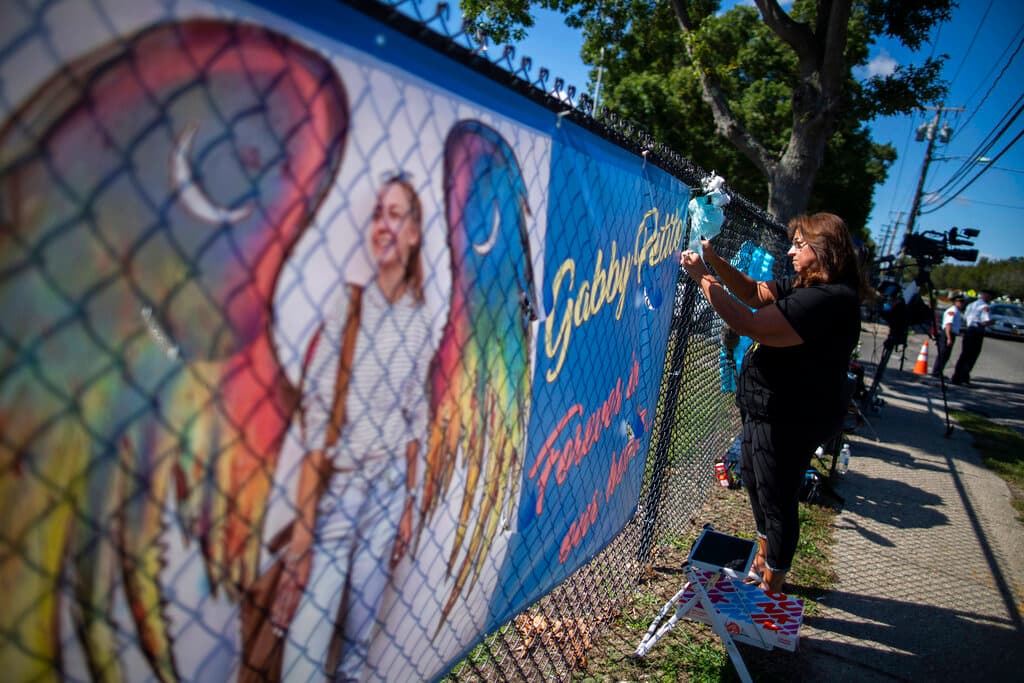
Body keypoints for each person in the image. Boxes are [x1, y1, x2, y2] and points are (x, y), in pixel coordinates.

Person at [272, 175, 433, 681]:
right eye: (377, 213)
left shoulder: (420, 321)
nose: (382, 224)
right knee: (303, 660)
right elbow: (317, 423)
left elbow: (413, 422)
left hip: (388, 494)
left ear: (413, 234)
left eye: (395, 214)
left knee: (357, 649)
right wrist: (302, 538)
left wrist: (408, 503)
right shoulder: (348, 304)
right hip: (339, 493)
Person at [680, 212, 865, 593]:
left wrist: (703, 278)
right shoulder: (806, 285)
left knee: (776, 493)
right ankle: (764, 558)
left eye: (800, 245)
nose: (792, 252)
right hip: (769, 408)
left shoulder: (827, 300)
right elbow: (754, 293)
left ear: (825, 250)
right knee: (753, 475)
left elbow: (750, 322)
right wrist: (715, 260)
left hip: (790, 415)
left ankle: (772, 584)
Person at [951, 289, 994, 386]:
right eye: (990, 296)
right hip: (977, 331)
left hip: (968, 330)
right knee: (972, 356)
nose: (991, 299)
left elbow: (966, 317)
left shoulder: (971, 305)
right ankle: (964, 377)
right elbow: (985, 321)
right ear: (986, 296)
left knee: (964, 355)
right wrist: (992, 322)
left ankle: (957, 377)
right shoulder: (985, 307)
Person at [932, 293, 966, 380]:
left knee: (946, 355)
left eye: (963, 302)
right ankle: (936, 372)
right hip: (947, 334)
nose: (962, 304)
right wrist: (949, 338)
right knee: (943, 354)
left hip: (951, 334)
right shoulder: (952, 311)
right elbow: (948, 325)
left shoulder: (957, 311)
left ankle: (939, 372)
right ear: (955, 302)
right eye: (960, 302)